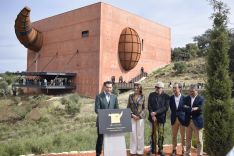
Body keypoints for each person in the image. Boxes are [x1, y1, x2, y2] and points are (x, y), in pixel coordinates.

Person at [94, 81, 119, 156]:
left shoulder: (114, 97)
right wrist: (106, 115)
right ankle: (98, 153)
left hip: (111, 122)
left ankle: (110, 153)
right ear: (104, 87)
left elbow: (117, 109)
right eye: (107, 87)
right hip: (102, 121)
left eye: (110, 87)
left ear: (112, 88)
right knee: (100, 139)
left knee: (111, 139)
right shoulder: (99, 96)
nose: (109, 89)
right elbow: (96, 109)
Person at [148, 81, 170, 156]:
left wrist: (156, 113)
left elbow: (165, 108)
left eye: (158, 87)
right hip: (152, 118)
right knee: (152, 134)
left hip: (161, 118)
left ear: (162, 88)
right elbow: (149, 105)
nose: (157, 89)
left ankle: (160, 149)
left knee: (161, 134)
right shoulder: (151, 95)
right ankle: (152, 149)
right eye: (156, 87)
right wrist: (152, 114)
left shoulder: (166, 96)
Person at [183, 85, 204, 156]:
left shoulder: (201, 98)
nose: (191, 93)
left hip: (197, 122)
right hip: (188, 121)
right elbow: (183, 108)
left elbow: (201, 109)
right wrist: (192, 109)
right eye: (190, 91)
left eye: (192, 91)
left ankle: (199, 154)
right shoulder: (186, 98)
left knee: (199, 140)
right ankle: (187, 153)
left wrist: (196, 108)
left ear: (196, 91)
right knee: (188, 139)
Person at [127, 83, 146, 156]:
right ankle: (133, 151)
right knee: (133, 134)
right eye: (134, 88)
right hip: (132, 118)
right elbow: (128, 107)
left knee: (140, 135)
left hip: (140, 119)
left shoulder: (143, 96)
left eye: (137, 88)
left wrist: (140, 116)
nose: (135, 89)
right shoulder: (130, 96)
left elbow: (145, 108)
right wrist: (132, 115)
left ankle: (140, 151)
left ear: (140, 89)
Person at [169, 83, 186, 156]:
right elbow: (171, 108)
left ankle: (184, 150)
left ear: (180, 89)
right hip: (174, 119)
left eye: (175, 88)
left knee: (183, 136)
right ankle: (174, 150)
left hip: (182, 119)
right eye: (173, 88)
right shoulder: (171, 98)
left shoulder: (185, 98)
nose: (174, 89)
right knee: (174, 136)